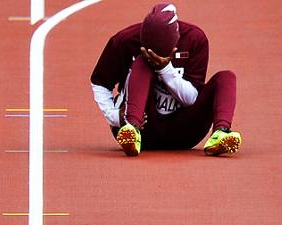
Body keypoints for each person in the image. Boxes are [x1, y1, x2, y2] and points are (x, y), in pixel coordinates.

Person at [90, 3, 242, 157]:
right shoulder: (124, 40)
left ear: (176, 44)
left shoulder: (195, 39)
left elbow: (191, 99)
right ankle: (132, 129)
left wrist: (165, 69)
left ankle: (221, 133)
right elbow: (100, 82)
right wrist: (115, 116)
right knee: (143, 63)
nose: (155, 57)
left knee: (226, 77)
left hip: (184, 132)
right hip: (145, 129)